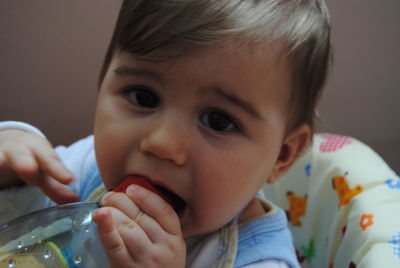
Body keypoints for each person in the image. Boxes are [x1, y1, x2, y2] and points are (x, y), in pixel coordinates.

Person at [0, 0, 331, 267]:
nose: (161, 143)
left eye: (218, 121)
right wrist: (12, 171)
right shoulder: (89, 169)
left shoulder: (260, 261)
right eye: (144, 97)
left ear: (283, 155)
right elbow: (21, 223)